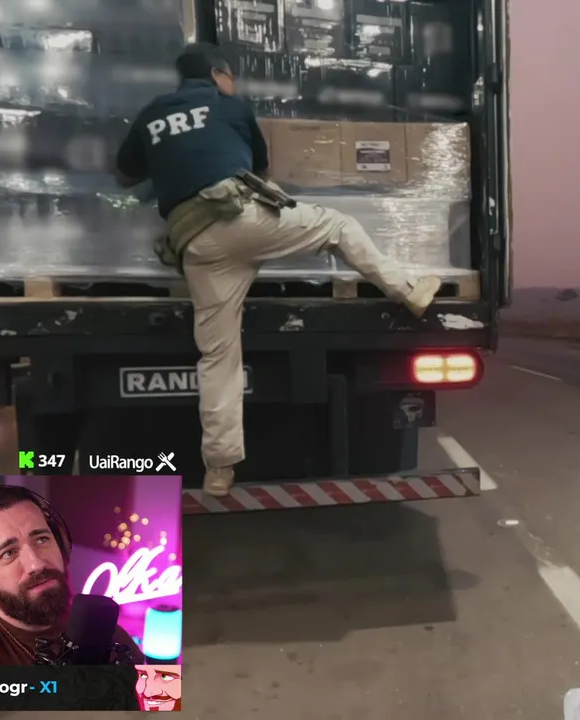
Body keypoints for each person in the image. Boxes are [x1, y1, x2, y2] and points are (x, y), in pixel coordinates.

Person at [113, 43, 443, 498]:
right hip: (240, 218)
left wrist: (169, 161)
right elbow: (261, 167)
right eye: (230, 77)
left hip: (196, 244)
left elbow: (124, 176)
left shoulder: (152, 114)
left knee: (218, 358)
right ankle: (408, 290)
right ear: (218, 74)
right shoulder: (228, 106)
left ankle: (219, 469)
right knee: (338, 226)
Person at [0, 486, 143, 666]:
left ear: (61, 545)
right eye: (8, 553)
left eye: (41, 539)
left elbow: (158, 697)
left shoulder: (101, 628)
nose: (36, 564)